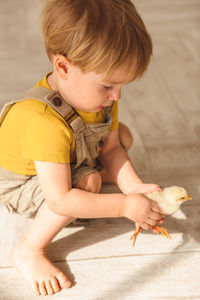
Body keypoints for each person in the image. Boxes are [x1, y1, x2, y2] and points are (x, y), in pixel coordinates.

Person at [0, 0, 164, 296]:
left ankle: (90, 181)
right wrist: (125, 206)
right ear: (63, 67)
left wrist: (134, 188)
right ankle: (28, 250)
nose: (116, 96)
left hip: (66, 154)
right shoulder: (42, 122)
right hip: (19, 184)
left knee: (122, 136)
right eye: (107, 86)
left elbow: (112, 149)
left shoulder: (102, 100)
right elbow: (61, 200)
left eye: (121, 86)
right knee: (86, 184)